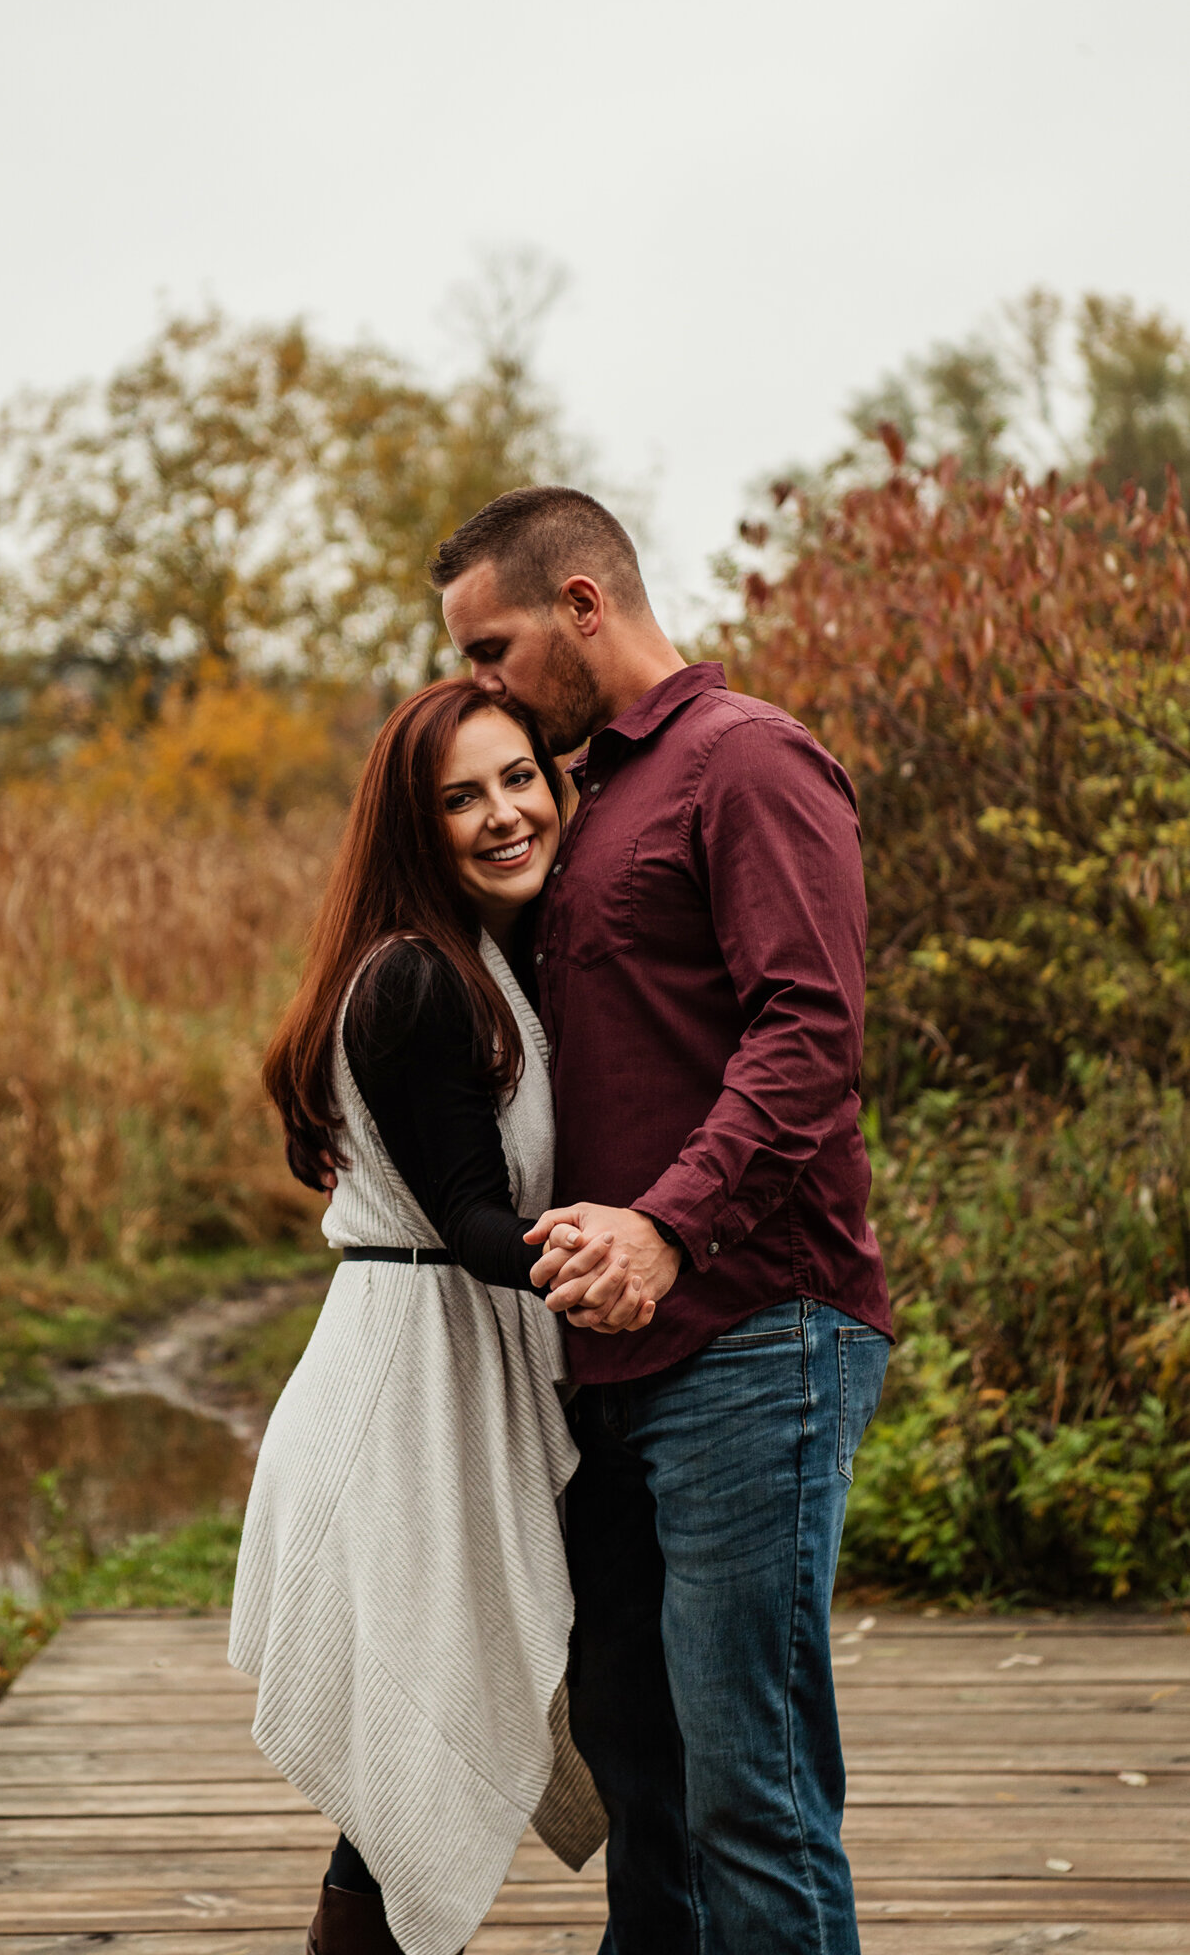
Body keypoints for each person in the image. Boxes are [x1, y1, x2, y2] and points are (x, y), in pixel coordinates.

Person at [435, 486, 894, 1955]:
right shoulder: (580, 806)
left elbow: (806, 1035)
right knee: (645, 1786)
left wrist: (665, 1230)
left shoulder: (741, 762)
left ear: (581, 606)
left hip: (755, 1331)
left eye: (491, 647)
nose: (475, 685)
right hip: (613, 1372)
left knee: (747, 1791)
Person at [228, 680, 638, 1955]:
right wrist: (630, 1249)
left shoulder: (484, 957)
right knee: (408, 1766)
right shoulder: (413, 978)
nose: (506, 812)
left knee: (416, 1762)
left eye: (520, 776)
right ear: (413, 825)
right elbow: (468, 1219)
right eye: (461, 796)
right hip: (405, 1402)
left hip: (438, 1379)